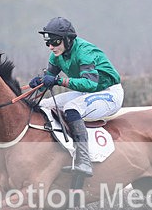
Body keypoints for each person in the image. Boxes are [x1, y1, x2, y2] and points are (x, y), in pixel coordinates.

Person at [28, 17, 123, 177]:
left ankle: (83, 161)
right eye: (48, 43)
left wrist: (58, 81)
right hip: (88, 93)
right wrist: (40, 81)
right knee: (44, 104)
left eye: (55, 42)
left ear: (68, 40)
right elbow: (49, 79)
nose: (51, 47)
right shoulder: (56, 55)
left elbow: (90, 84)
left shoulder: (84, 52)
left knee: (71, 108)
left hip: (108, 93)